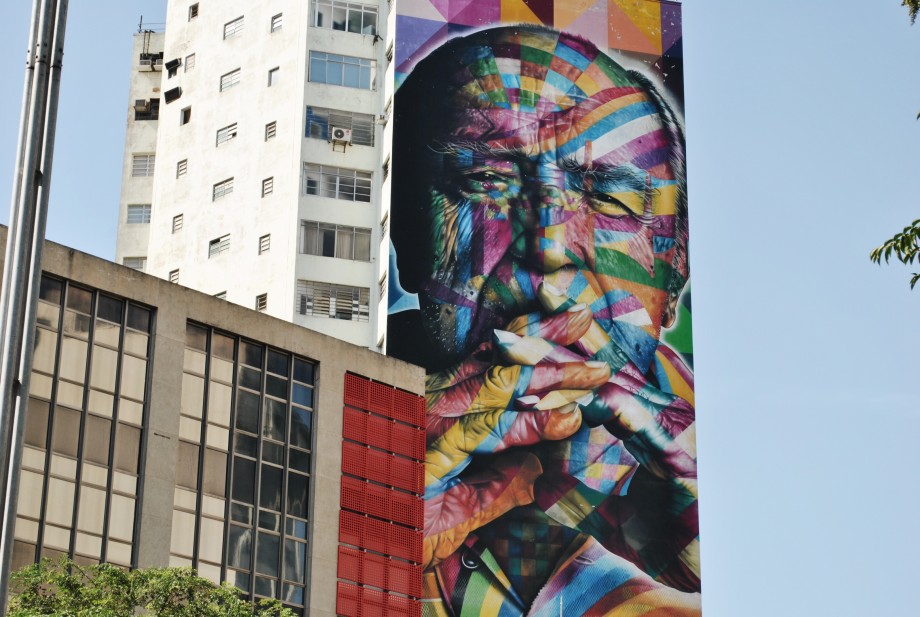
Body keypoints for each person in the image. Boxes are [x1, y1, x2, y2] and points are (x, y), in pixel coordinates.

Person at [387, 25, 700, 616]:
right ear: (402, 232)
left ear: (676, 265)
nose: (550, 247)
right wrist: (373, 520)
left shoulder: (736, 487)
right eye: (486, 182)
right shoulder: (319, 418)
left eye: (611, 200)